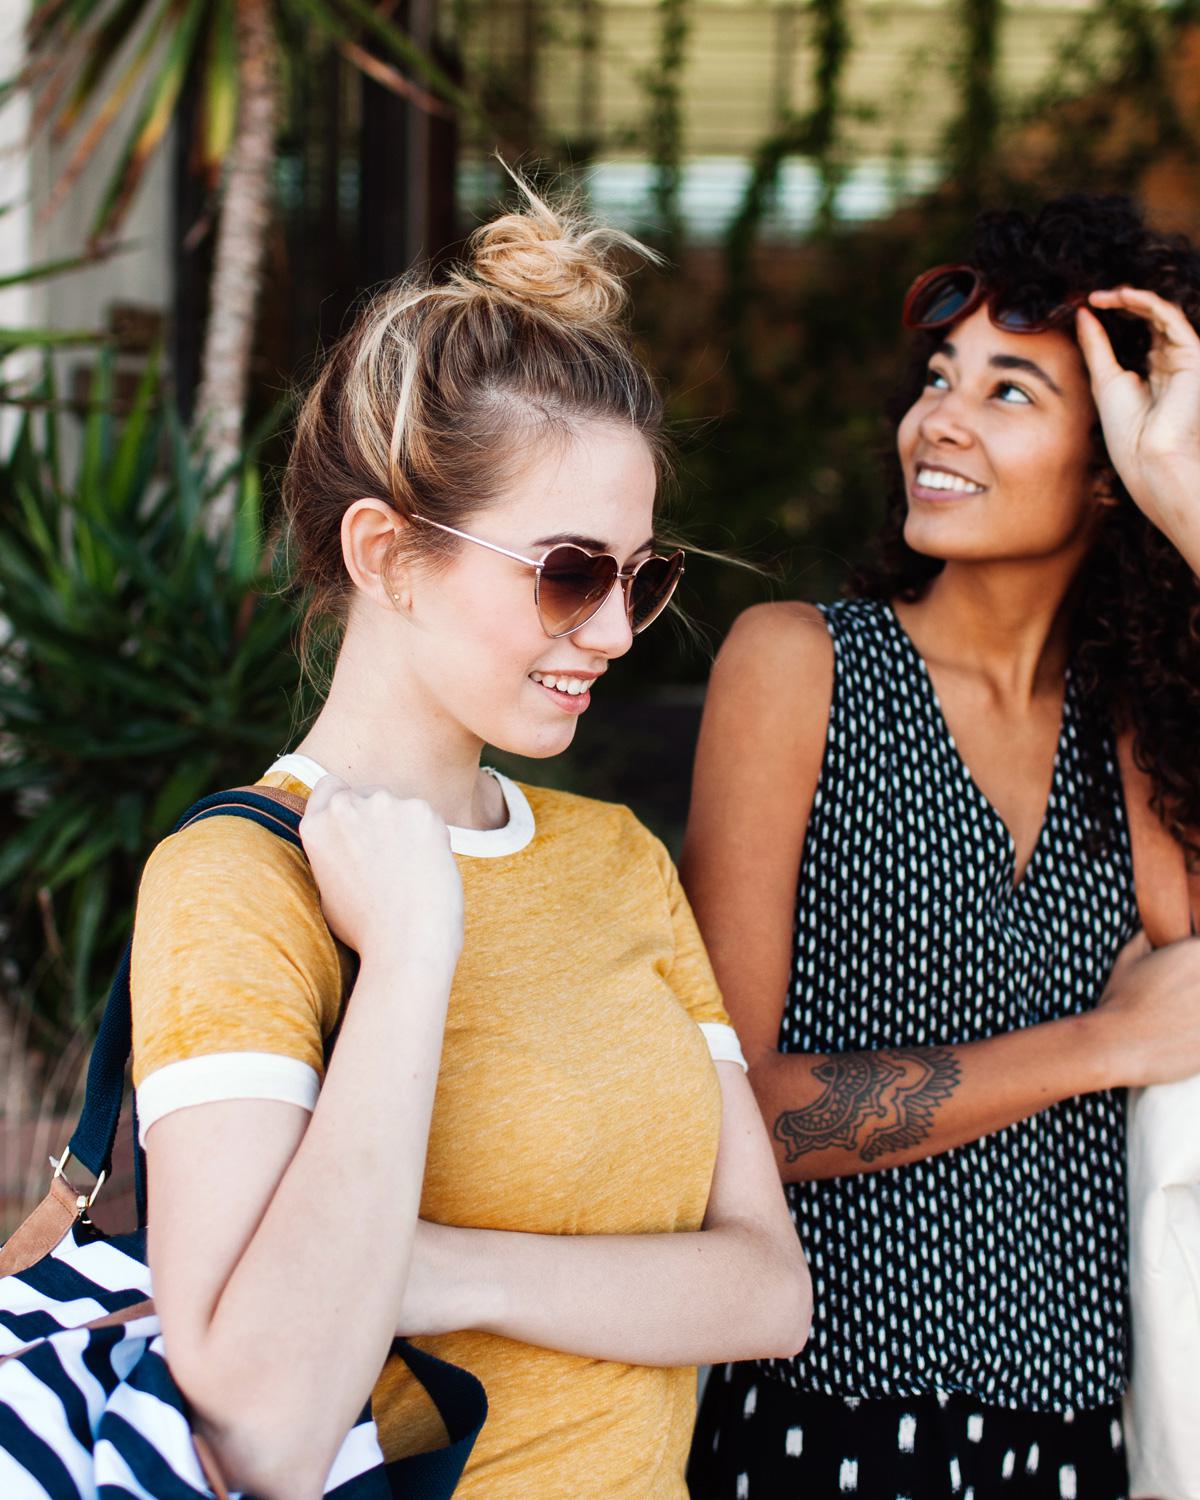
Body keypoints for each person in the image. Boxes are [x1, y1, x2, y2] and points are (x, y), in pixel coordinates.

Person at [128, 184, 811, 1500]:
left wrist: (436, 1266)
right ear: (386, 554)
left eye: (640, 576)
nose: (614, 632)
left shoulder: (617, 859)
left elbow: (768, 1289)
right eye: (568, 570)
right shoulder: (235, 885)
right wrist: (411, 953)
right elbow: (268, 1422)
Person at [683, 195, 1200, 1499]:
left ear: (1110, 462)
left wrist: (1193, 514)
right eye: (936, 378)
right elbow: (720, 1117)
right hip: (825, 1423)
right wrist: (1097, 1047)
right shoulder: (803, 667)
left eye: (1010, 391)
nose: (939, 421)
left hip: (1085, 1440)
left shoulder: (1138, 730)